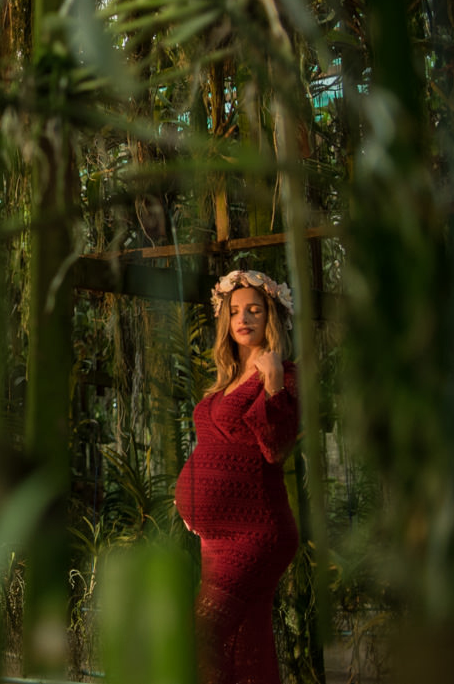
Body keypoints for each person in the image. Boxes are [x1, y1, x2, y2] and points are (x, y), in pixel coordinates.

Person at [175, 269, 300, 684]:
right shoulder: (225, 381)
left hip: (256, 532)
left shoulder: (285, 374)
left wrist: (275, 381)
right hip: (215, 539)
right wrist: (193, 505)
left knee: (199, 638)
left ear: (271, 317)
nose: (243, 318)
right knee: (244, 646)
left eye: (254, 310)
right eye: (235, 311)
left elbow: (275, 448)